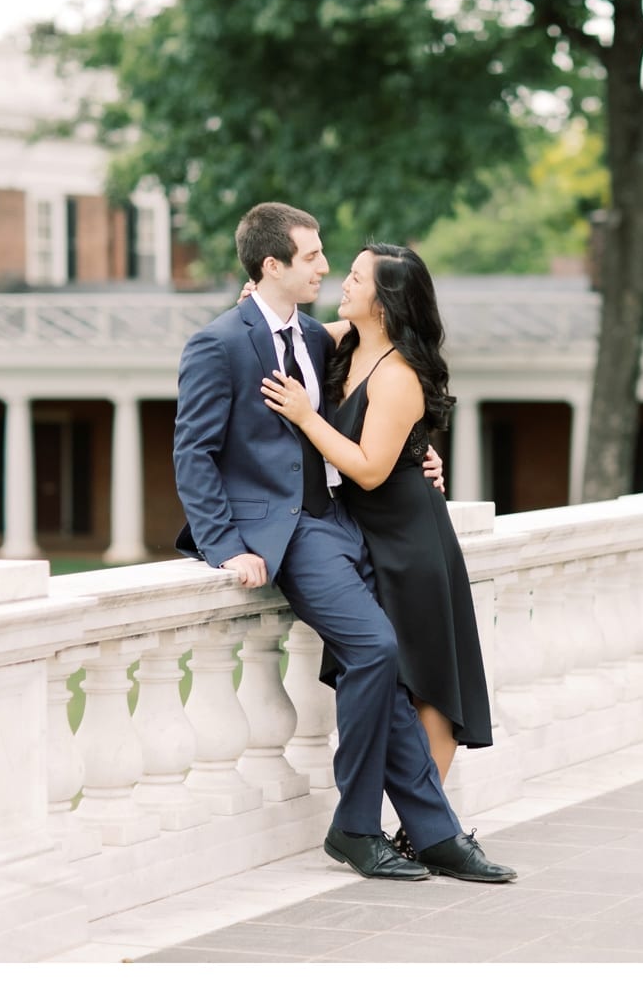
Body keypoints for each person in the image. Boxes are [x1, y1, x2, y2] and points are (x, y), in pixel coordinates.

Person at [172, 201, 514, 884]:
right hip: (289, 531)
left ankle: (430, 831)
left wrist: (422, 451)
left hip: (346, 521)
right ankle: (360, 826)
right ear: (273, 266)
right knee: (378, 648)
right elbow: (193, 453)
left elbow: (375, 376)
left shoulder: (323, 339)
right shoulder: (219, 343)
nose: (327, 269)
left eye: (336, 261)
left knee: (385, 671)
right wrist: (224, 545)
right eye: (313, 258)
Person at [256, 241, 492, 856]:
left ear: (383, 301)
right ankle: (419, 829)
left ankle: (422, 833)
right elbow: (284, 324)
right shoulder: (346, 342)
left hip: (410, 541)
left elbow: (366, 469)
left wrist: (307, 418)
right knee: (385, 672)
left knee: (428, 688)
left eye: (357, 277)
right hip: (362, 534)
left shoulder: (398, 374)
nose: (343, 281)